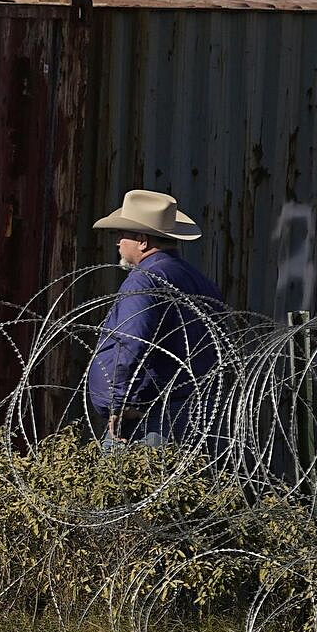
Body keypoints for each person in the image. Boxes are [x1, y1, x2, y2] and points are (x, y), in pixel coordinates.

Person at [85, 189, 224, 445]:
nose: (117, 243)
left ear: (142, 240)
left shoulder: (144, 279)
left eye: (121, 234)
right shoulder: (199, 281)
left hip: (151, 418)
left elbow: (127, 343)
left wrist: (116, 404)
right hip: (197, 410)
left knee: (120, 482)